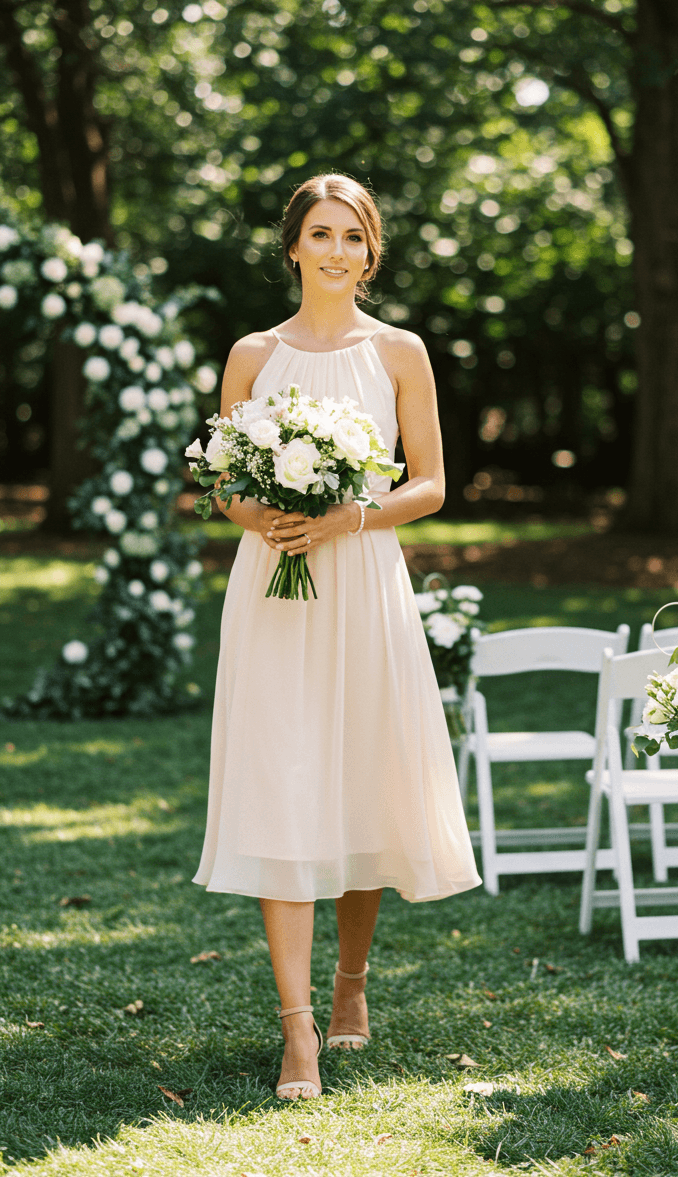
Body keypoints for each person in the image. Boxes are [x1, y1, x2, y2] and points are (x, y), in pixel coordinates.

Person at [193, 173, 481, 1101]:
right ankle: (298, 1032)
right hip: (274, 592)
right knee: (284, 784)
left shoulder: (399, 352)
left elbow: (431, 485)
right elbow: (222, 480)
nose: (338, 251)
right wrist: (262, 518)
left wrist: (345, 519)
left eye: (354, 237)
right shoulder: (251, 353)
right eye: (321, 234)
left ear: (371, 251)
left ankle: (351, 986)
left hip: (362, 582)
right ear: (292, 247)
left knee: (359, 778)